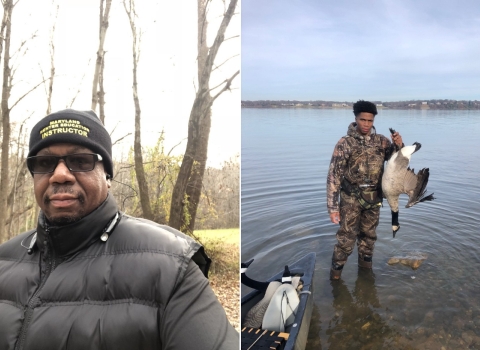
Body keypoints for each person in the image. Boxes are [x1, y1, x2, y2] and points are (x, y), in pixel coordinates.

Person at [0, 109, 238, 349]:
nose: (60, 175)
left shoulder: (171, 266)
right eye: (45, 163)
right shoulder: (3, 260)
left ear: (108, 176)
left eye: (81, 161)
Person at [327, 100, 403, 280]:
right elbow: (334, 176)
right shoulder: (345, 143)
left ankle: (366, 276)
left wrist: (399, 145)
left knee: (369, 238)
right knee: (346, 241)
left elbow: (397, 163)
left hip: (374, 199)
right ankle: (335, 281)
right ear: (356, 118)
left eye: (370, 121)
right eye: (363, 120)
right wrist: (333, 208)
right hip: (350, 199)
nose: (366, 124)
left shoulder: (382, 141)